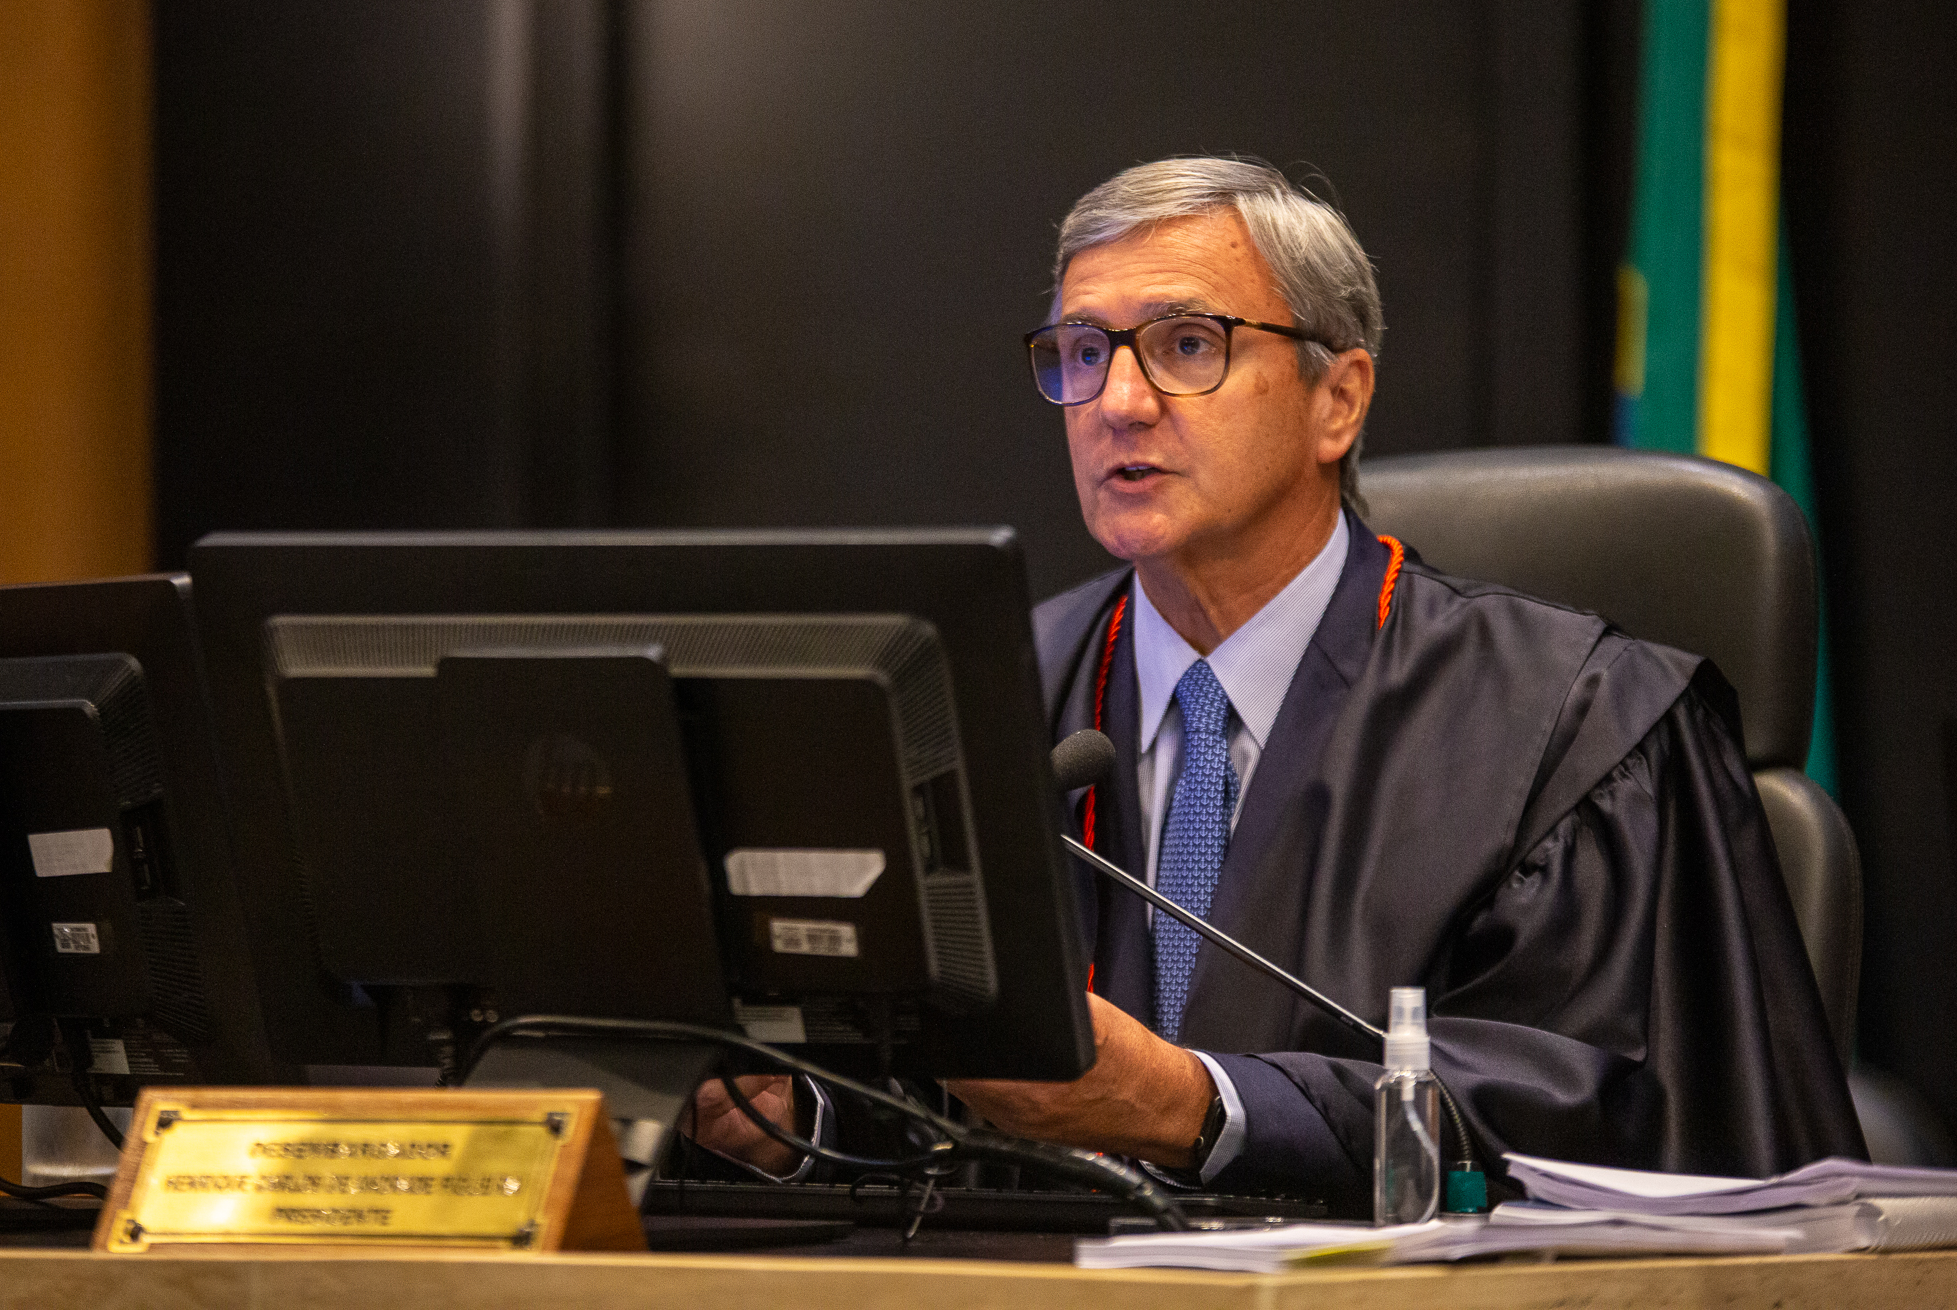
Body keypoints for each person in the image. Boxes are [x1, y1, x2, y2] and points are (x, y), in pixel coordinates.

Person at [691, 156, 1866, 1208]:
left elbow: (1609, 1119)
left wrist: (1198, 1104)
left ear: (1336, 399)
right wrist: (800, 1124)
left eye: (1186, 345)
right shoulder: (972, 701)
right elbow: (944, 1096)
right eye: (1081, 353)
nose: (1116, 402)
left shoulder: (1576, 724)